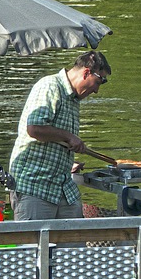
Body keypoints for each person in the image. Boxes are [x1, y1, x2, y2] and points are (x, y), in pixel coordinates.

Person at [8, 50, 111, 221]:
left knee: (74, 246)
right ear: (86, 72)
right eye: (99, 81)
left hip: (63, 187)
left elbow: (55, 141)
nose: (97, 91)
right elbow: (35, 128)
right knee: (35, 246)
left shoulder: (73, 99)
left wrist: (67, 161)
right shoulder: (50, 86)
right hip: (35, 186)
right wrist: (70, 137)